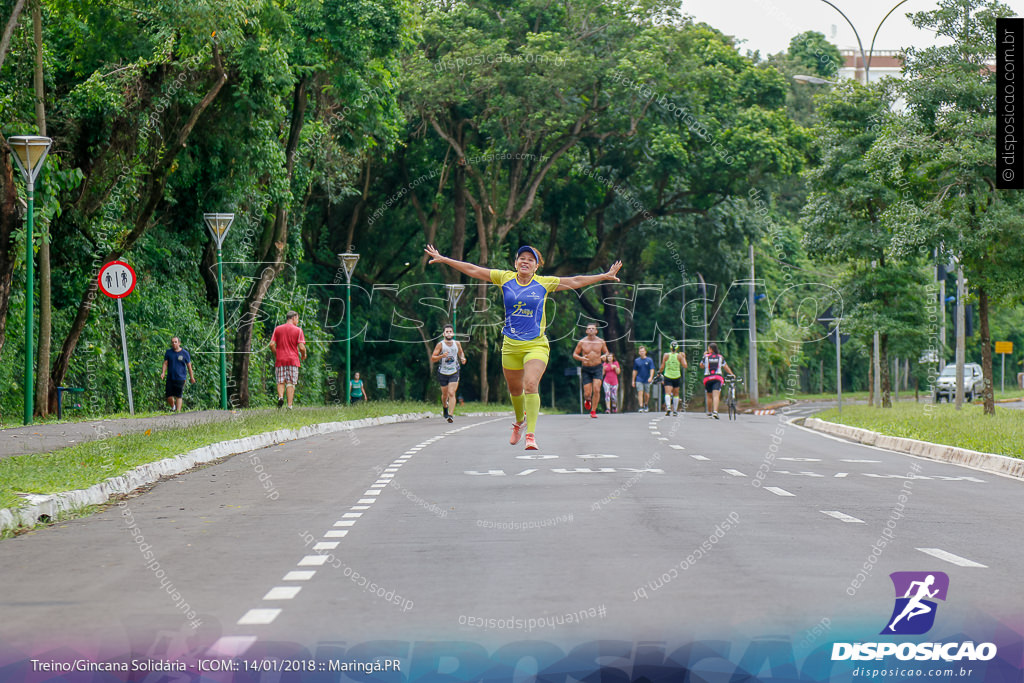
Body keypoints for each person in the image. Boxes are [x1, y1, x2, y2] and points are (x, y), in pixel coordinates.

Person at [425, 243, 621, 450]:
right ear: (515, 263)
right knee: (515, 390)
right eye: (522, 258)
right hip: (510, 345)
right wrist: (445, 259)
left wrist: (603, 276)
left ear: (536, 266)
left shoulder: (544, 283)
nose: (525, 261)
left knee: (530, 385)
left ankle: (530, 435)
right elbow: (474, 269)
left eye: (530, 259)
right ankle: (519, 421)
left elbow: (575, 280)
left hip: (536, 345)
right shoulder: (505, 278)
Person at [269, 310, 307, 409]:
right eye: (297, 319)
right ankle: (289, 406)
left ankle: (280, 397)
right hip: (293, 360)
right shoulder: (298, 330)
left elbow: (271, 344)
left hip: (280, 359)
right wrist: (303, 355)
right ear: (294, 318)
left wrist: (276, 354)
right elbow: (302, 347)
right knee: (290, 382)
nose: (297, 321)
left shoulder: (278, 329)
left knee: (280, 381)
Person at [572, 323, 610, 419]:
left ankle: (593, 410)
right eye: (589, 329)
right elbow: (575, 354)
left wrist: (604, 356)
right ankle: (587, 400)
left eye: (593, 328)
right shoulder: (582, 342)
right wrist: (581, 358)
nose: (591, 330)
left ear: (596, 331)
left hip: (597, 367)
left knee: (597, 389)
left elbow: (606, 352)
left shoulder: (601, 342)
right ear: (586, 331)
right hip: (586, 369)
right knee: (587, 393)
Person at [431, 324, 467, 422]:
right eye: (447, 331)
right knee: (445, 395)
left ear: (453, 333)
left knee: (452, 393)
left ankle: (450, 415)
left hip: (454, 371)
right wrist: (441, 356)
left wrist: (462, 358)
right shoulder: (440, 345)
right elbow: (433, 358)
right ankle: (445, 407)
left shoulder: (457, 343)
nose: (449, 333)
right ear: (443, 334)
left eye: (450, 331)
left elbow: (461, 353)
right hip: (442, 372)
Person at [160, 336, 195, 412]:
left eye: (175, 342)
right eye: (172, 342)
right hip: (170, 377)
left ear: (179, 343)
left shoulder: (185, 353)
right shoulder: (168, 352)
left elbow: (189, 366)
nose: (174, 343)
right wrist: (163, 372)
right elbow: (165, 363)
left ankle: (178, 412)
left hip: (180, 377)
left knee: (178, 396)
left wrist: (191, 377)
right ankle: (173, 407)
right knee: (169, 396)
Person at [700, 342, 734, 419]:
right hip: (717, 378)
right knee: (716, 396)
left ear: (711, 349)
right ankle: (715, 412)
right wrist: (732, 374)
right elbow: (726, 367)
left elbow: (701, 366)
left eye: (708, 349)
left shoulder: (706, 357)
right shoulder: (720, 357)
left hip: (707, 378)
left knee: (709, 396)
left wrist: (704, 355)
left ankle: (709, 412)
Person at [659, 341, 688, 416]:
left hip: (668, 376)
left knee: (667, 392)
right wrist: (684, 357)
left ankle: (668, 407)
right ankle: (675, 410)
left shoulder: (666, 355)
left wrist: (659, 372)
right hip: (676, 376)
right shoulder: (680, 356)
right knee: (676, 393)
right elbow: (685, 366)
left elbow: (662, 366)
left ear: (670, 348)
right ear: (677, 348)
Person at [632, 346, 655, 412]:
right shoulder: (637, 361)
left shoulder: (649, 360)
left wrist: (651, 377)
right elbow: (634, 371)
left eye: (643, 351)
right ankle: (641, 406)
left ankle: (646, 404)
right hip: (639, 379)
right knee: (640, 392)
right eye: (640, 351)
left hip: (647, 379)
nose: (642, 353)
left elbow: (652, 369)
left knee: (646, 394)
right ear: (639, 353)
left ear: (645, 352)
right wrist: (633, 380)